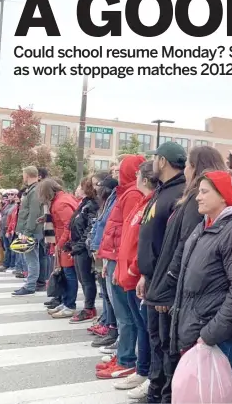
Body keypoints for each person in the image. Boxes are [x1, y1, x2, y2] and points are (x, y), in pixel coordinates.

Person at [143, 146, 227, 397]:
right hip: (168, 286)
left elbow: (184, 249)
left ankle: (166, 394)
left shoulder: (193, 204)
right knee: (162, 346)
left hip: (179, 293)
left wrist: (167, 289)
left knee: (171, 352)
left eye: (189, 165)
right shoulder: (188, 198)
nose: (186, 170)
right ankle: (160, 391)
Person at [170, 171, 232, 371]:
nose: (198, 197)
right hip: (196, 328)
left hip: (215, 335)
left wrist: (210, 334)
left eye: (204, 192)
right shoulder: (203, 226)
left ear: (223, 195)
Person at [136, 141, 187, 403]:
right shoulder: (161, 191)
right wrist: (145, 274)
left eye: (155, 158)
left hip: (165, 285)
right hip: (152, 279)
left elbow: (175, 246)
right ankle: (155, 389)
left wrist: (165, 285)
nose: (152, 163)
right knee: (156, 340)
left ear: (163, 161)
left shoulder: (179, 194)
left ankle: (164, 394)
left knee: (166, 345)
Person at [111, 161, 159, 400]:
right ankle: (141, 369)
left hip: (135, 275)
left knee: (144, 328)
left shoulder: (150, 203)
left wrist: (134, 270)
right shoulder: (141, 202)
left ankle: (145, 370)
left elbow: (144, 244)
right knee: (141, 326)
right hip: (127, 274)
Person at [96, 154, 146, 380]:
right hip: (116, 258)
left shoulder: (132, 194)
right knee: (122, 313)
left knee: (126, 315)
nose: (115, 173)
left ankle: (127, 359)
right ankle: (124, 355)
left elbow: (128, 233)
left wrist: (117, 263)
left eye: (120, 170)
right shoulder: (125, 193)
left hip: (122, 261)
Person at [38, 179, 79, 318]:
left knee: (68, 275)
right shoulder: (64, 199)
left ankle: (69, 305)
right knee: (67, 274)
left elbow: (68, 225)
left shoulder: (60, 203)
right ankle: (66, 302)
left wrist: (60, 244)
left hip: (65, 243)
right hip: (67, 241)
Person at [90, 174, 120, 348]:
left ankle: (113, 328)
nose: (96, 188)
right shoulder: (107, 202)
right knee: (106, 293)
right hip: (103, 251)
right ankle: (109, 325)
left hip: (109, 252)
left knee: (112, 296)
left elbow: (110, 227)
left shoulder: (116, 199)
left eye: (99, 185)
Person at [68, 176, 100, 323]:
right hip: (78, 245)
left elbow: (89, 227)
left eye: (81, 186)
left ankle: (89, 308)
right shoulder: (84, 204)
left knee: (87, 279)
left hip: (83, 247)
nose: (78, 189)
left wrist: (80, 244)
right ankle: (88, 306)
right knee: (82, 278)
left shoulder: (92, 204)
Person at [13, 166, 45, 296]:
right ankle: (31, 283)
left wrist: (26, 232)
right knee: (31, 258)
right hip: (30, 229)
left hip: (31, 230)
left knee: (31, 259)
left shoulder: (34, 190)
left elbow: (33, 213)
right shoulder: (32, 190)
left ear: (26, 175)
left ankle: (30, 285)